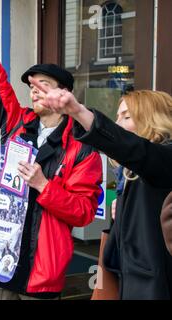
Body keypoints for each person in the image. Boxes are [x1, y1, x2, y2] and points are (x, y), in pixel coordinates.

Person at [0, 0, 103, 300]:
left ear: (64, 94)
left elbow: (84, 212)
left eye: (43, 85)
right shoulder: (16, 122)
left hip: (42, 272)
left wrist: (43, 185)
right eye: (31, 86)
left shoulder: (82, 149)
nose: (34, 90)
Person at [29, 78, 172, 299]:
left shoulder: (164, 158)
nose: (118, 124)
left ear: (152, 119)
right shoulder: (130, 175)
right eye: (117, 116)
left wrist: (78, 111)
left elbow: (137, 151)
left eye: (126, 116)